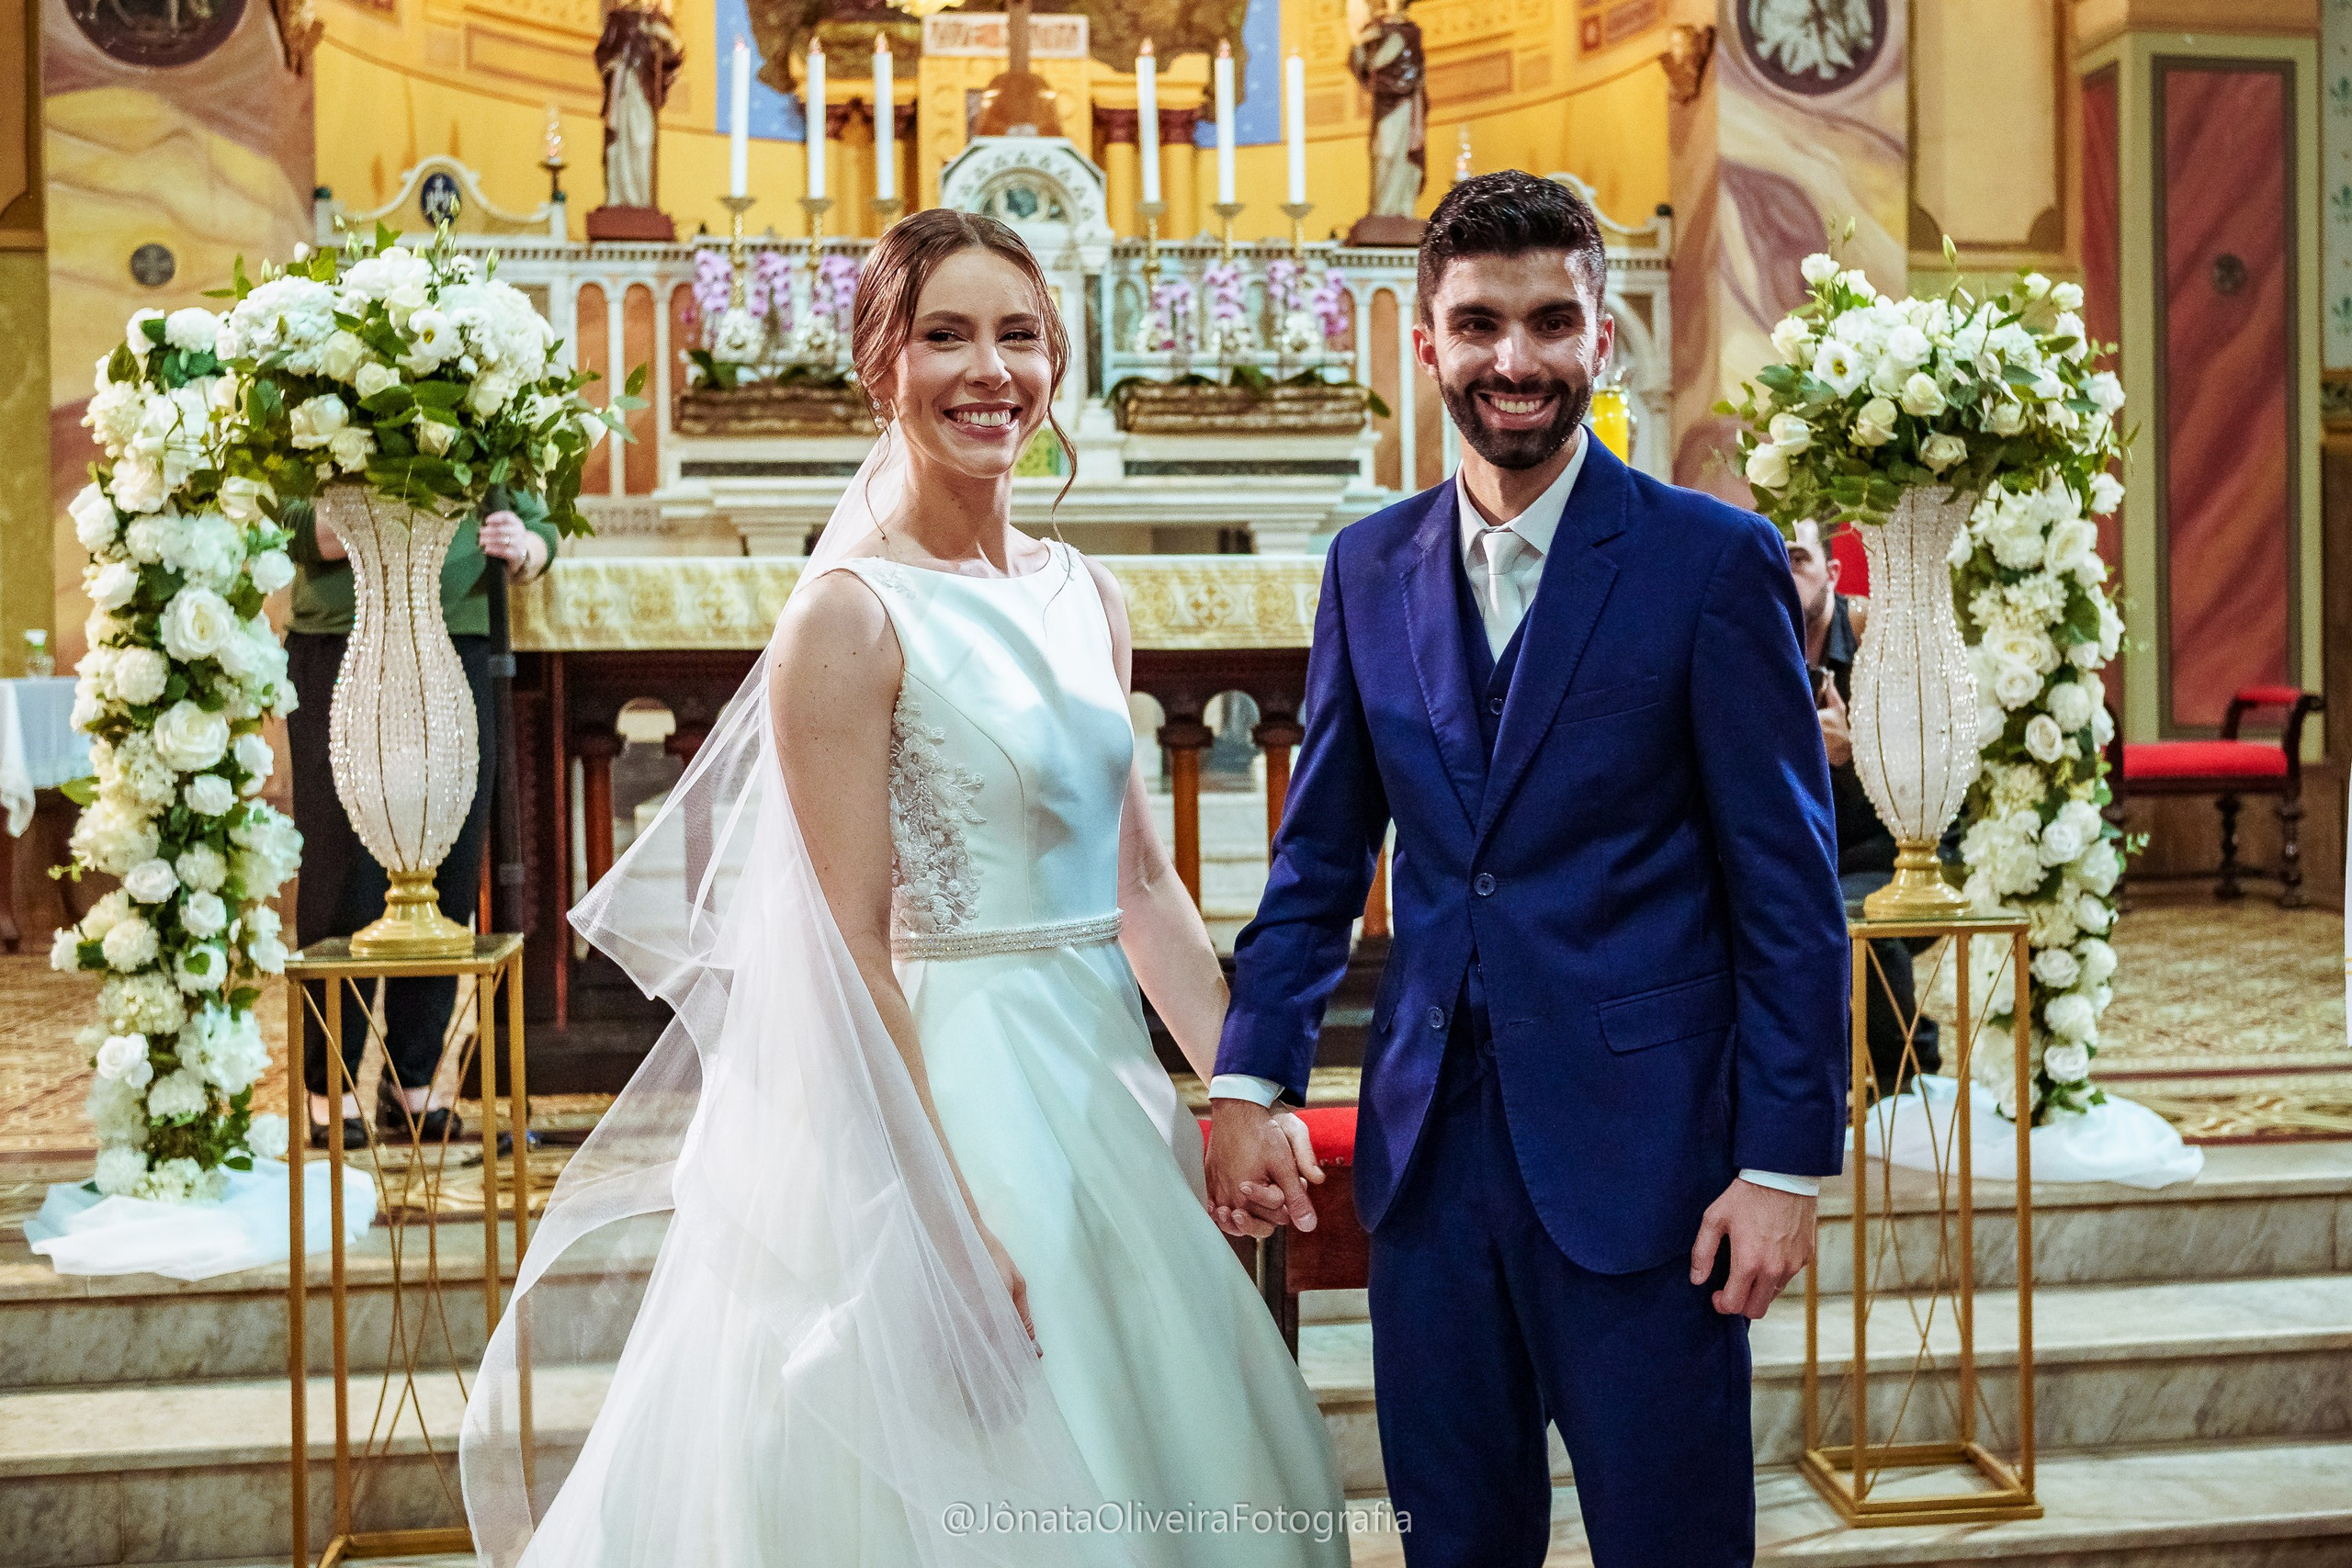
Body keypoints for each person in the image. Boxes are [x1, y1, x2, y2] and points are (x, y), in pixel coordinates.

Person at [459, 209, 1347, 1567]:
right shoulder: (849, 614)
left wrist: (1239, 1091)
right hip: (943, 1091)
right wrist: (939, 1219)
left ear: (1059, 361)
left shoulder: (1086, 593)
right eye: (945, 335)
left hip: (1099, 1083)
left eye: (1019, 335)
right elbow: (855, 945)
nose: (989, 370)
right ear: (883, 364)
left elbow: (1145, 885)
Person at [1205, 171, 1849, 1568]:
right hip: (1429, 1169)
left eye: (1551, 321)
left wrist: (1785, 1160)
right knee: (1457, 1545)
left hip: (1654, 1163)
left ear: (1600, 337)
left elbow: (1787, 891)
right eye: (1480, 323)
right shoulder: (1368, 566)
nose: (1516, 360)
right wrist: (1249, 1077)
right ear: (1424, 341)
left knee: (1671, 1541)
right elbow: (1318, 860)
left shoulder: (1710, 560)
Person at [284, 490, 555, 1148]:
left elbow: (538, 528)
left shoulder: (484, 392)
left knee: (449, 857)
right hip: (340, 638)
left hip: (456, 637)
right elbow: (291, 523)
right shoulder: (319, 399)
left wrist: (525, 546)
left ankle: (414, 1077)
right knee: (344, 868)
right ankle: (331, 1084)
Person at [1787, 519, 1940, 1096]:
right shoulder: (1750, 642)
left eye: (1798, 558)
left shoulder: (1883, 641)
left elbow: (1924, 787)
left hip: (1904, 849)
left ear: (1832, 573)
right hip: (1810, 857)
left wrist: (1852, 758)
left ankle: (1903, 1080)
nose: (1782, 572)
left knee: (1848, 919)